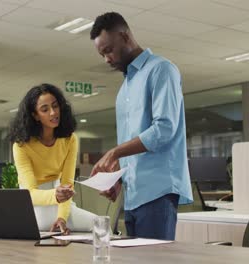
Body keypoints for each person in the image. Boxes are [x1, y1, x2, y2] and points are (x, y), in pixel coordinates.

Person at [89, 12, 193, 240]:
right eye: (102, 54)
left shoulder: (161, 70)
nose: (107, 59)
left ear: (125, 36)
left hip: (158, 191)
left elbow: (164, 130)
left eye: (108, 50)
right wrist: (119, 180)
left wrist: (115, 152)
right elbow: (134, 144)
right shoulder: (125, 89)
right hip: (133, 196)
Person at [9, 83, 96, 235]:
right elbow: (30, 193)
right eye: (45, 109)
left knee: (100, 224)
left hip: (61, 199)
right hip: (34, 203)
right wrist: (56, 195)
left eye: (55, 106)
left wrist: (62, 217)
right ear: (35, 115)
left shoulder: (70, 139)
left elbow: (67, 184)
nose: (53, 112)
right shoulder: (21, 145)